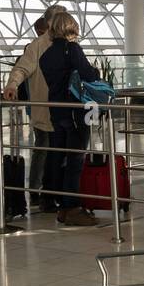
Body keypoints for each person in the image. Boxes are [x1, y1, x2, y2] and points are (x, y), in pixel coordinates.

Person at [36, 12, 99, 227]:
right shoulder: (71, 49)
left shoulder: (46, 55)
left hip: (57, 111)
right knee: (75, 160)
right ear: (71, 27)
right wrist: (96, 72)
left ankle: (59, 203)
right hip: (75, 112)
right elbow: (89, 74)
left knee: (58, 158)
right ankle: (71, 206)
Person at [3, 5, 68, 214]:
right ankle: (36, 190)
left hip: (67, 111)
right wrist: (12, 84)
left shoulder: (71, 43)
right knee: (44, 149)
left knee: (63, 152)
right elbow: (22, 68)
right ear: (49, 22)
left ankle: (56, 191)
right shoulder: (37, 46)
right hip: (45, 110)